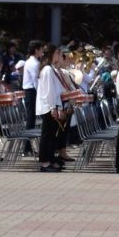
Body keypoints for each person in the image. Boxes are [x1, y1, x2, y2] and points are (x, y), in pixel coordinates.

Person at [36, 43, 66, 172]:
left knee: (52, 135)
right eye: (58, 53)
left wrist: (58, 106)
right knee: (47, 135)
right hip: (47, 106)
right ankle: (44, 162)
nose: (60, 55)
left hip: (52, 105)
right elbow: (49, 91)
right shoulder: (47, 69)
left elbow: (57, 90)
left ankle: (50, 158)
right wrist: (53, 107)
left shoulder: (51, 68)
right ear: (52, 54)